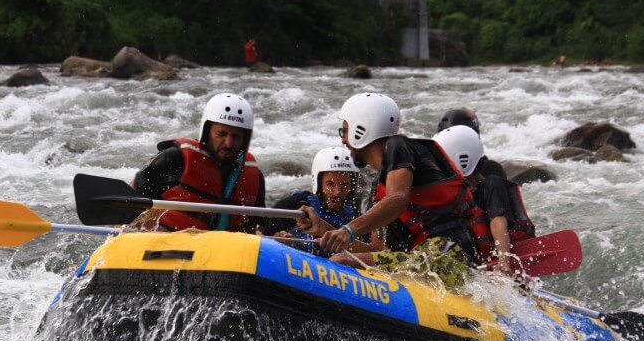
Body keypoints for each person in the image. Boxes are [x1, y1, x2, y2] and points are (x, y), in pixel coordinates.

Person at [297, 93, 492, 289]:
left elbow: (399, 199)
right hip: (423, 259)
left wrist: (348, 230)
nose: (343, 140)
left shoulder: (399, 146)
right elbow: (377, 251)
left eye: (345, 131)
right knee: (343, 259)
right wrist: (324, 229)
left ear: (361, 130)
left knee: (340, 262)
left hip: (447, 255)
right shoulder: (379, 187)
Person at [130, 92, 265, 232]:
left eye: (236, 137)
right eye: (221, 134)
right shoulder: (175, 158)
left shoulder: (254, 176)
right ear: (207, 132)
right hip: (168, 242)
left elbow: (259, 224)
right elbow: (134, 197)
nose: (229, 143)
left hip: (224, 249)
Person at [433, 125, 536, 276]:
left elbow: (498, 220)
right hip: (477, 262)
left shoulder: (491, 184)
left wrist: (504, 262)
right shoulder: (456, 193)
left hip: (502, 258)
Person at [261, 146, 365, 257]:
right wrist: (279, 238)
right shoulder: (295, 205)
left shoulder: (356, 217)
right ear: (319, 183)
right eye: (331, 184)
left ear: (352, 186)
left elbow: (369, 252)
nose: (337, 192)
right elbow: (264, 236)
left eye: (344, 185)